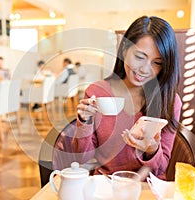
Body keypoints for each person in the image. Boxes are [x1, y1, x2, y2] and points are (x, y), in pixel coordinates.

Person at [71, 16, 182, 179]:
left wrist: (152, 151)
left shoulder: (169, 101)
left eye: (157, 63)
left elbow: (161, 167)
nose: (145, 69)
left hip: (147, 187)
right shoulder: (98, 93)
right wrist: (85, 122)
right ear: (124, 50)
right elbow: (82, 159)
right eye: (139, 57)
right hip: (106, 185)